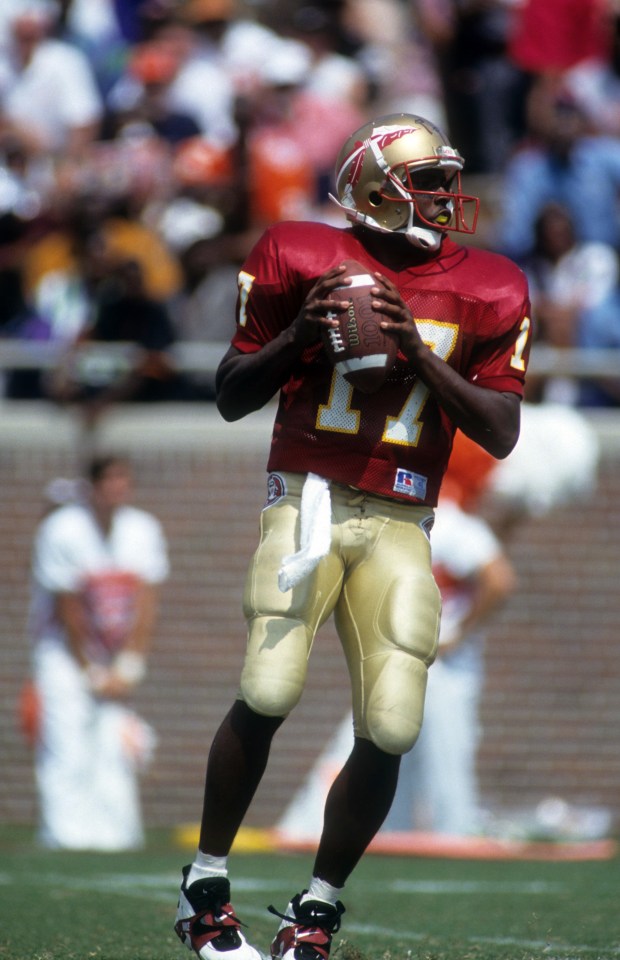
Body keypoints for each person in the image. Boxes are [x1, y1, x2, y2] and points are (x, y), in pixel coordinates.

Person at [173, 112, 531, 960]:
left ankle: (318, 909)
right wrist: (302, 332)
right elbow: (230, 394)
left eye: (449, 179)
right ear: (376, 187)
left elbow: (502, 431)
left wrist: (418, 352)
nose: (447, 196)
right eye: (429, 180)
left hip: (405, 510)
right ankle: (205, 885)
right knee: (268, 686)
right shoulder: (298, 253)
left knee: (395, 722)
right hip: (310, 495)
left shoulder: (493, 284)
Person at [28, 454, 169, 850]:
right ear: (92, 487)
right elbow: (67, 607)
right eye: (110, 480)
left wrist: (130, 663)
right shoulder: (63, 530)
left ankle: (115, 837)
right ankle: (65, 836)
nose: (118, 489)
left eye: (124, 480)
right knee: (66, 742)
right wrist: (89, 669)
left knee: (114, 743)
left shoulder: (142, 529)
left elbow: (146, 601)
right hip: (63, 653)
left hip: (113, 654)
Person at [382, 433, 517, 836]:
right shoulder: (437, 521)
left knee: (444, 759)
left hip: (444, 666)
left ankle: (452, 840)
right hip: (406, 661)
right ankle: (395, 841)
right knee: (393, 758)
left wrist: (457, 632)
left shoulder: (451, 523)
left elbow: (499, 581)